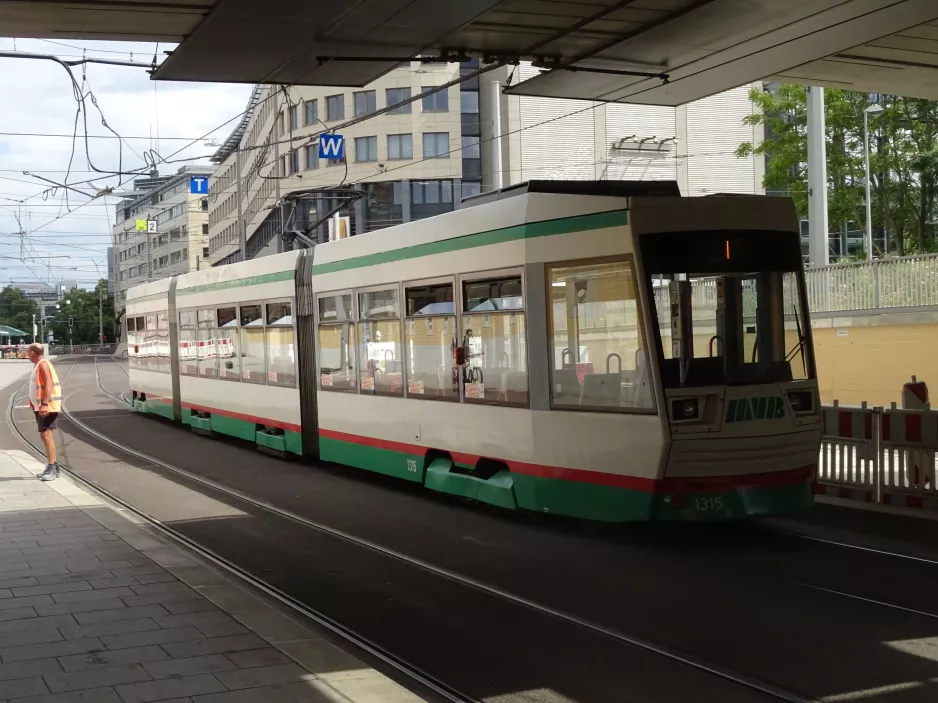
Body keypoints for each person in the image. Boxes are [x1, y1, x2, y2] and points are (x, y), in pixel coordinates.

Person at [27, 343, 61, 481]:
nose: (26, 354)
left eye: (28, 351)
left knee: (47, 436)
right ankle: (54, 466)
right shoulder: (39, 364)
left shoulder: (43, 364)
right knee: (44, 435)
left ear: (33, 353)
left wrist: (45, 404)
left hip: (48, 406)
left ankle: (52, 468)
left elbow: (48, 383)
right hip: (41, 406)